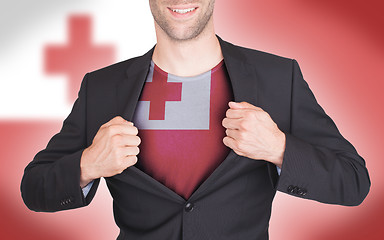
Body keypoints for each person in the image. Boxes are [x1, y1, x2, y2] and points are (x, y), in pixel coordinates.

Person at [21, 0, 370, 239]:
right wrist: (87, 165)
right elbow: (34, 188)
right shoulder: (102, 87)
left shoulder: (278, 78)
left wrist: (280, 148)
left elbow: (353, 181)